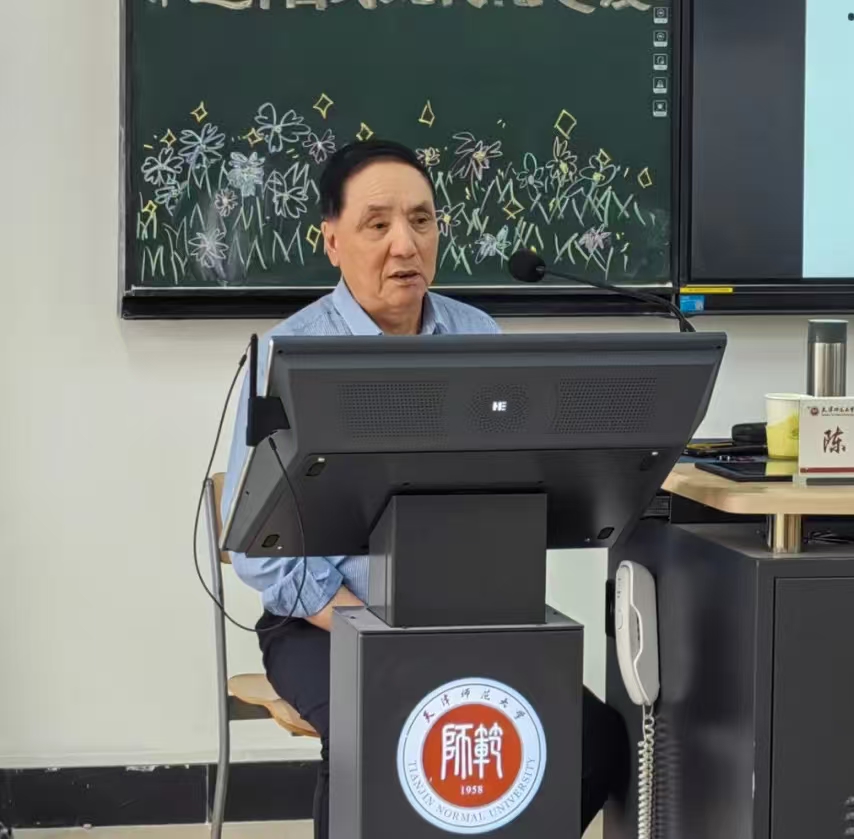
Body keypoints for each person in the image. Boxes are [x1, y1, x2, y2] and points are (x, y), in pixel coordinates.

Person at [221, 139, 627, 838]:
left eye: (421, 220)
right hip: (320, 621)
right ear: (332, 240)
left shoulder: (477, 335)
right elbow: (261, 550)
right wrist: (366, 626)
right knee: (373, 729)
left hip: (461, 610)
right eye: (377, 225)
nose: (404, 244)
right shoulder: (286, 356)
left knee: (593, 741)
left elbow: (512, 482)